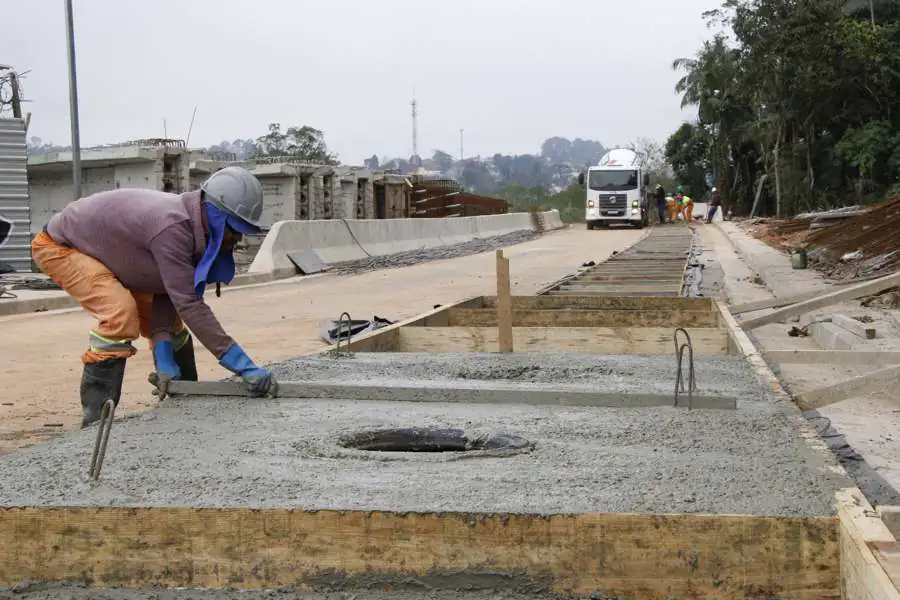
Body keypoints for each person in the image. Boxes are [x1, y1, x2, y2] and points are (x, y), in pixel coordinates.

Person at [31, 166, 278, 428]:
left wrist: (164, 357)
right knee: (120, 314)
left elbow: (165, 289)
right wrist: (243, 366)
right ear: (216, 214)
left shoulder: (194, 228)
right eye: (234, 228)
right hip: (60, 246)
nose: (237, 238)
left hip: (104, 251)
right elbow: (189, 303)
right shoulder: (173, 227)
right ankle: (95, 425)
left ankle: (185, 404)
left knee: (174, 329)